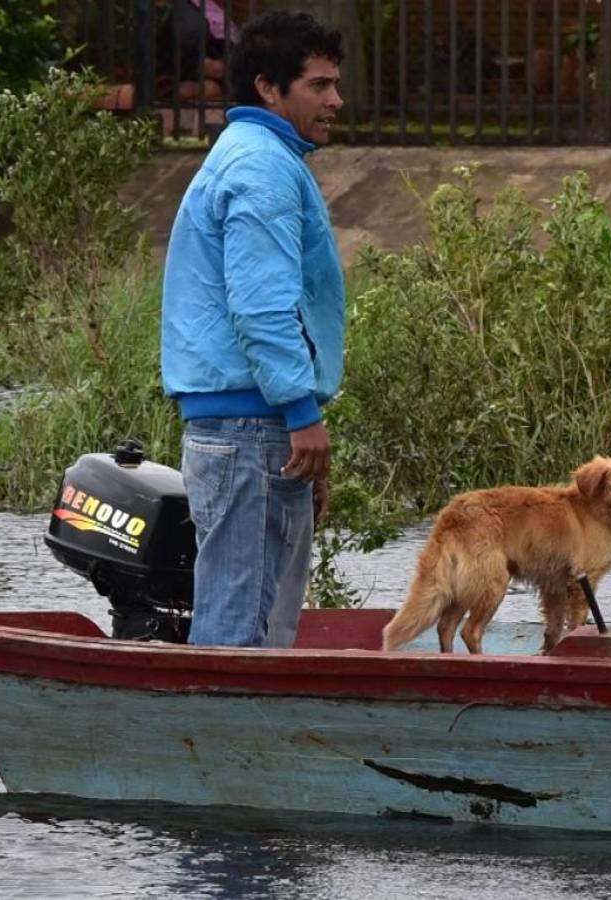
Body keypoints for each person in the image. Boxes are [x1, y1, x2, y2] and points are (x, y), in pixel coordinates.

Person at [160, 11, 345, 648]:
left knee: (257, 625)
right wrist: (299, 414)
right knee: (243, 635)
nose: (335, 100)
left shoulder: (258, 156)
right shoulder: (261, 169)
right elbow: (262, 308)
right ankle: (218, 747)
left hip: (248, 428)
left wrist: (300, 423)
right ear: (270, 87)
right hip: (250, 427)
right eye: (319, 85)